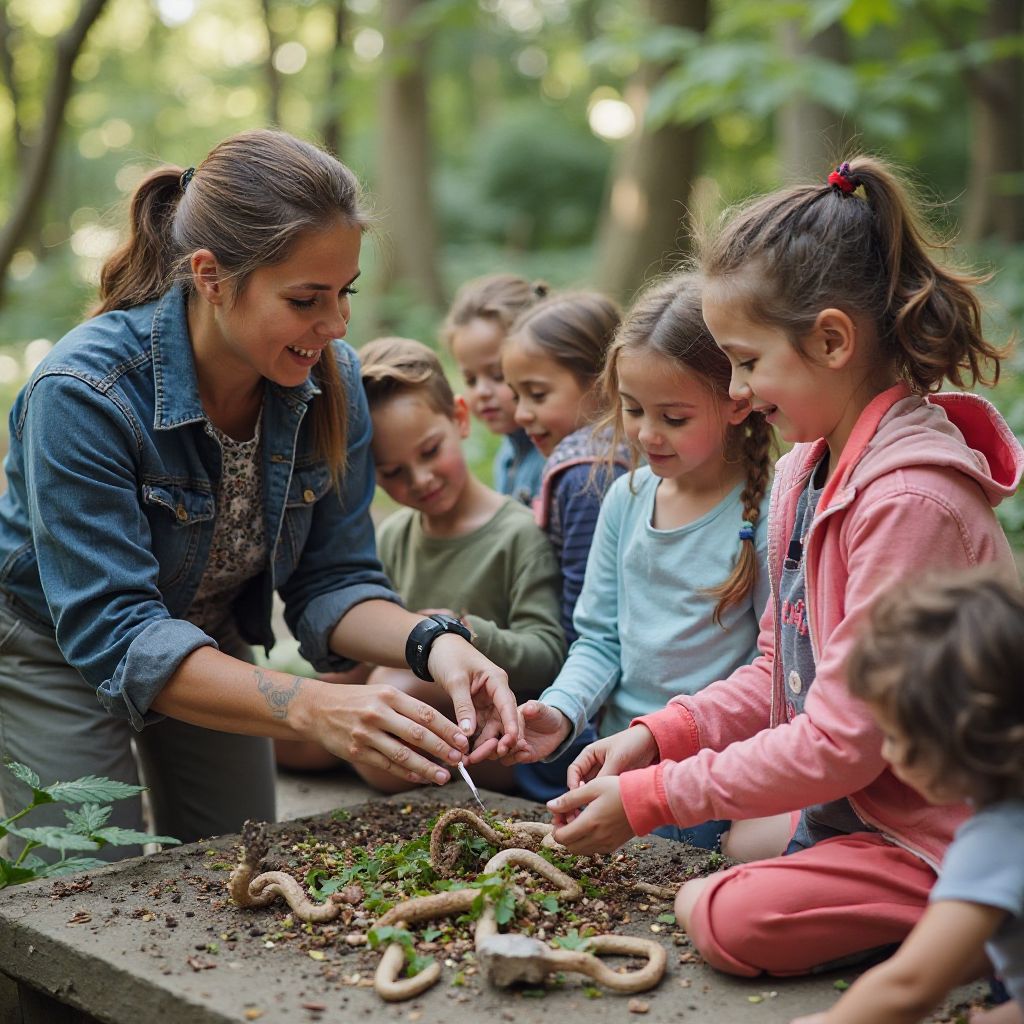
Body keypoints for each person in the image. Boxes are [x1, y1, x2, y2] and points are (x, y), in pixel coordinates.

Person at [541, 156, 1024, 977]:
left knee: (722, 917)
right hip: (865, 805)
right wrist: (661, 739)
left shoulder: (908, 502)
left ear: (832, 340)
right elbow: (778, 665)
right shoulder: (808, 469)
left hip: (942, 827)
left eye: (747, 361)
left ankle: (978, 919)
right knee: (731, 857)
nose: (736, 388)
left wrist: (654, 799)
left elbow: (846, 741)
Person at [0, 129, 517, 862]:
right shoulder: (83, 394)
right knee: (81, 882)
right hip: (56, 648)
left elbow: (333, 581)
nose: (337, 328)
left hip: (208, 635)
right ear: (211, 277)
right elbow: (114, 629)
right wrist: (313, 705)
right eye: (306, 298)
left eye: (345, 293)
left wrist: (432, 644)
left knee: (236, 864)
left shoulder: (329, 379)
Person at [506, 273, 773, 846]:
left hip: (712, 773)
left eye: (674, 418)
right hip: (615, 760)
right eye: (633, 410)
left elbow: (771, 671)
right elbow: (599, 639)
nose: (647, 434)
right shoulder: (625, 498)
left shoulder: (768, 511)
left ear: (736, 402)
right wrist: (560, 710)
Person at [277, 336, 565, 791]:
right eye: (392, 472)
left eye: (430, 451)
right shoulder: (394, 535)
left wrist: (462, 631)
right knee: (290, 722)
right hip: (404, 707)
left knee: (394, 688)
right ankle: (340, 750)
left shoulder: (518, 534)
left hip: (496, 737)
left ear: (461, 419)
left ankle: (355, 755)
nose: (421, 479)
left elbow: (548, 653)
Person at [792, 565, 1024, 1024]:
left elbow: (908, 988)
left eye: (894, 737)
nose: (885, 751)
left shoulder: (997, 841)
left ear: (953, 744)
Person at [501, 290, 631, 645]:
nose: (521, 414)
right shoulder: (619, 454)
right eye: (516, 396)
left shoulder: (586, 476)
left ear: (603, 384)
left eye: (538, 395)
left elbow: (584, 602)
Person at [441, 274, 547, 504]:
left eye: (498, 375)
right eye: (470, 380)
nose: (482, 392)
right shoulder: (507, 454)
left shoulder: (554, 459)